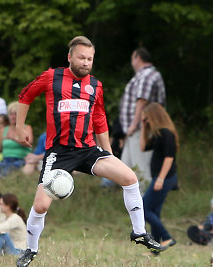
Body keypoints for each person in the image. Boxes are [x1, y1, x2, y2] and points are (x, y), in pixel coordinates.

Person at [15, 36, 163, 267]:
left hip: (88, 150)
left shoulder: (95, 85)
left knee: (129, 178)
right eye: (82, 57)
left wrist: (109, 153)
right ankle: (30, 250)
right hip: (59, 153)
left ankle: (139, 232)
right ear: (70, 57)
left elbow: (99, 118)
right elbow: (25, 96)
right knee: (41, 205)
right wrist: (19, 128)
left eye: (90, 59)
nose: (86, 62)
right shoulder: (51, 77)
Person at [119, 47, 166, 189]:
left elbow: (142, 100)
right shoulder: (142, 75)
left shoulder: (147, 75)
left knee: (141, 168)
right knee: (124, 168)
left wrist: (134, 125)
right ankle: (131, 203)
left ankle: (144, 202)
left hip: (141, 129)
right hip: (134, 130)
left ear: (137, 58)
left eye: (132, 58)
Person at [140, 102, 179, 254]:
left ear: (153, 116)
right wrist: (144, 128)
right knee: (154, 212)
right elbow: (143, 147)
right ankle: (155, 249)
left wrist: (160, 179)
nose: (145, 120)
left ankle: (167, 237)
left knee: (144, 208)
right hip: (159, 177)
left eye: (146, 117)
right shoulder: (158, 134)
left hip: (166, 178)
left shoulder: (167, 133)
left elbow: (169, 158)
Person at [0, 102, 33, 178]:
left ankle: (3, 176)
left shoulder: (26, 128)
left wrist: (14, 139)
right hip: (5, 159)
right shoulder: (3, 130)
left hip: (21, 159)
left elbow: (29, 143)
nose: (13, 117)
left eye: (15, 114)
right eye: (11, 114)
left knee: (14, 166)